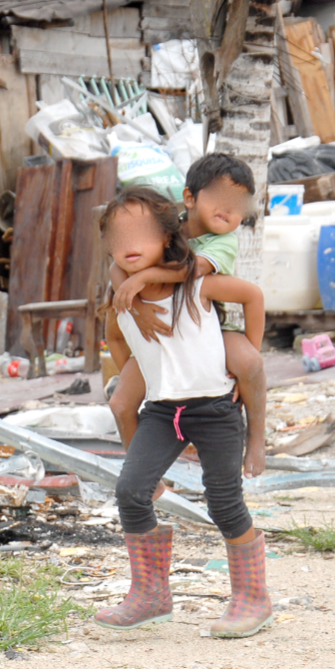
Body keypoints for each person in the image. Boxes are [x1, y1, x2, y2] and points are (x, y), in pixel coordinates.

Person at [95, 186, 272, 639]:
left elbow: (252, 294)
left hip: (214, 410)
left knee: (224, 503)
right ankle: (150, 595)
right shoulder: (122, 297)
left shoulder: (196, 284)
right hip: (161, 412)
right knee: (132, 492)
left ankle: (253, 598)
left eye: (141, 234)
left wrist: (246, 354)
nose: (129, 245)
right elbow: (118, 339)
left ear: (166, 238)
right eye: (118, 237)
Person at [106, 154, 268, 484]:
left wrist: (236, 367)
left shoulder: (223, 242)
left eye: (237, 205)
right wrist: (135, 304)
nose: (227, 210)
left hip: (214, 326)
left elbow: (188, 270)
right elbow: (116, 264)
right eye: (219, 200)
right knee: (122, 403)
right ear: (190, 198)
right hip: (166, 332)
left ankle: (257, 439)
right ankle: (142, 475)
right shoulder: (167, 225)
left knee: (250, 363)